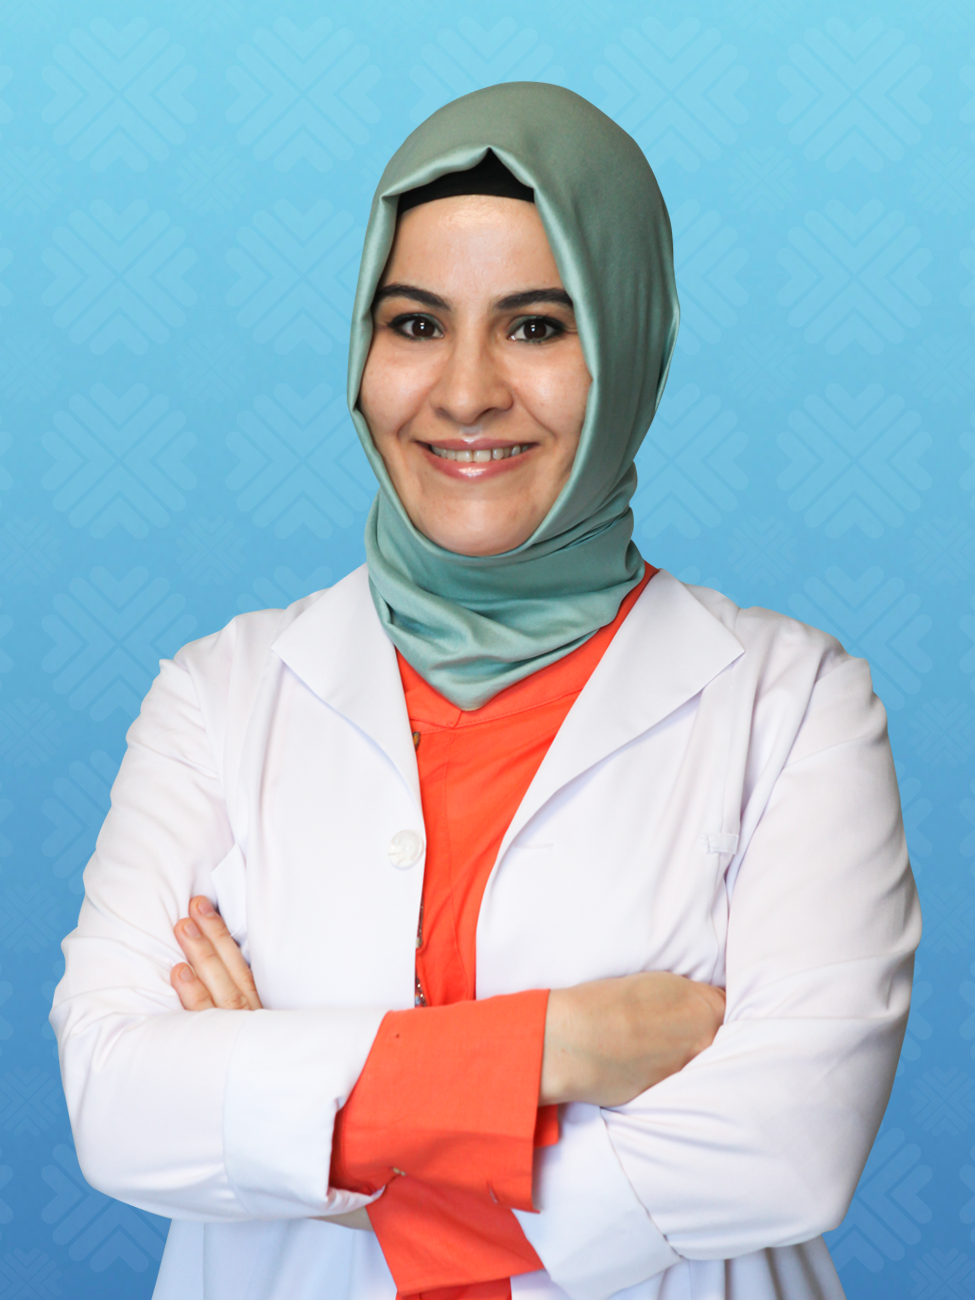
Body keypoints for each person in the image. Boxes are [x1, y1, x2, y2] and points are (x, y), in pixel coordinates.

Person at [51, 83, 920, 1300]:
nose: (463, 393)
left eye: (535, 326)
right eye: (415, 323)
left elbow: (786, 1148)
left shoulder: (794, 704)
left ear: (629, 346)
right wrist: (559, 1046)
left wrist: (284, 1112)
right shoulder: (218, 696)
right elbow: (118, 1105)